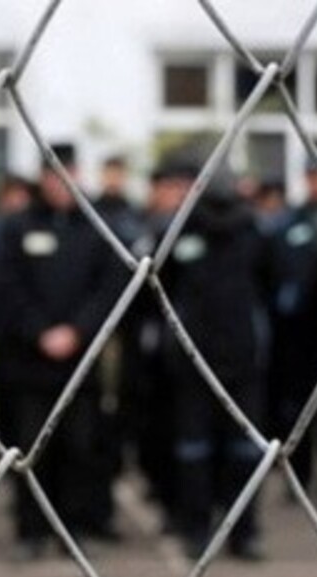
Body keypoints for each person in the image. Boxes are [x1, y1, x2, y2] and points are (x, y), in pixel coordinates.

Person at [0, 143, 124, 559]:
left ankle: (73, 530)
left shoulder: (95, 229)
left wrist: (77, 331)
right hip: (30, 364)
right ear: (43, 180)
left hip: (79, 363)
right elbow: (6, 289)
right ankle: (31, 531)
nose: (61, 184)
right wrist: (40, 332)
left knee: (79, 447)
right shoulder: (17, 229)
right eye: (53, 176)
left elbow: (107, 290)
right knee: (32, 449)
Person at [161, 178, 276, 561]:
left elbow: (270, 286)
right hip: (193, 359)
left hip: (243, 359)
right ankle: (198, 529)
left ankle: (243, 531)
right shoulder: (180, 234)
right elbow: (162, 286)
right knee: (195, 451)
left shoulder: (254, 235)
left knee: (243, 451)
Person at [116, 158, 198, 533]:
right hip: (145, 348)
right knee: (150, 430)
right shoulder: (137, 229)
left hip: (190, 351)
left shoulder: (200, 232)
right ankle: (162, 491)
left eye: (183, 189)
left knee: (184, 432)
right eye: (169, 188)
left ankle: (183, 505)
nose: (175, 196)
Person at [266, 160, 317, 497]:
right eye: (312, 177)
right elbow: (275, 269)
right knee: (297, 406)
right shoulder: (289, 222)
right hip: (296, 331)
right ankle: (298, 478)